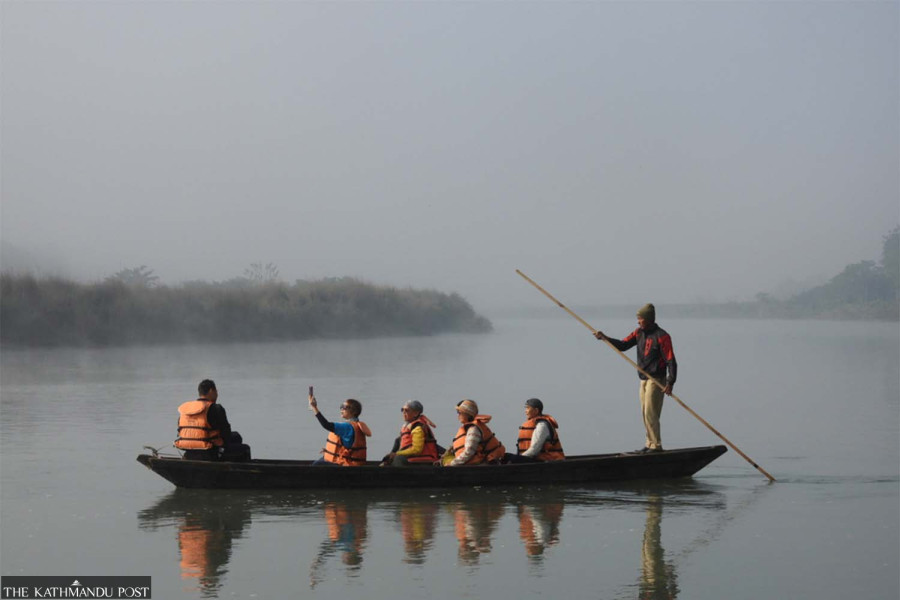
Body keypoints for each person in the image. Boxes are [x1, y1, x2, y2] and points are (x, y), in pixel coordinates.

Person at [594, 303, 677, 453]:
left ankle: (656, 446)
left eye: (640, 319)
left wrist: (670, 382)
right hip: (643, 379)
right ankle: (649, 444)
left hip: (656, 380)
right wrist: (605, 338)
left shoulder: (662, 336)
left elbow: (671, 360)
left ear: (648, 319)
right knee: (644, 412)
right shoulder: (638, 333)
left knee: (651, 412)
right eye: (638, 318)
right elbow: (623, 345)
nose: (638, 321)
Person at [174, 379, 251, 461]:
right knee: (245, 448)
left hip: (189, 450)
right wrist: (222, 443)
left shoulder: (186, 409)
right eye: (216, 392)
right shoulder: (216, 408)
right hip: (210, 452)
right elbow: (226, 432)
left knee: (236, 436)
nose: (217, 395)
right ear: (211, 391)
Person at [308, 392, 371, 466]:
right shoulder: (356, 425)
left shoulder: (347, 427)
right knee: (321, 460)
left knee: (316, 465)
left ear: (353, 411)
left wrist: (314, 407)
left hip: (344, 463)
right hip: (353, 462)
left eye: (344, 407)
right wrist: (329, 451)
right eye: (341, 406)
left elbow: (326, 425)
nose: (341, 409)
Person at [444, 399, 506, 466]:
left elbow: (469, 451)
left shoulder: (473, 430)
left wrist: (452, 464)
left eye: (459, 412)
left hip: (480, 465)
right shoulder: (470, 428)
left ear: (467, 413)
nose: (458, 415)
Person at [381, 400, 440, 466]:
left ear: (416, 413)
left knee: (398, 458)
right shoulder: (407, 426)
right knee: (397, 440)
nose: (403, 412)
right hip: (410, 459)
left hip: (421, 462)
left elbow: (417, 450)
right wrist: (392, 455)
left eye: (406, 410)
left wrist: (398, 453)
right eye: (402, 410)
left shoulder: (418, 428)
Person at [508, 398, 565, 463]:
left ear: (536, 410)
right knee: (506, 456)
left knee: (512, 459)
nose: (525, 411)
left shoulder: (542, 425)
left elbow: (535, 449)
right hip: (534, 459)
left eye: (528, 408)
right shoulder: (535, 423)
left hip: (546, 461)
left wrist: (519, 458)